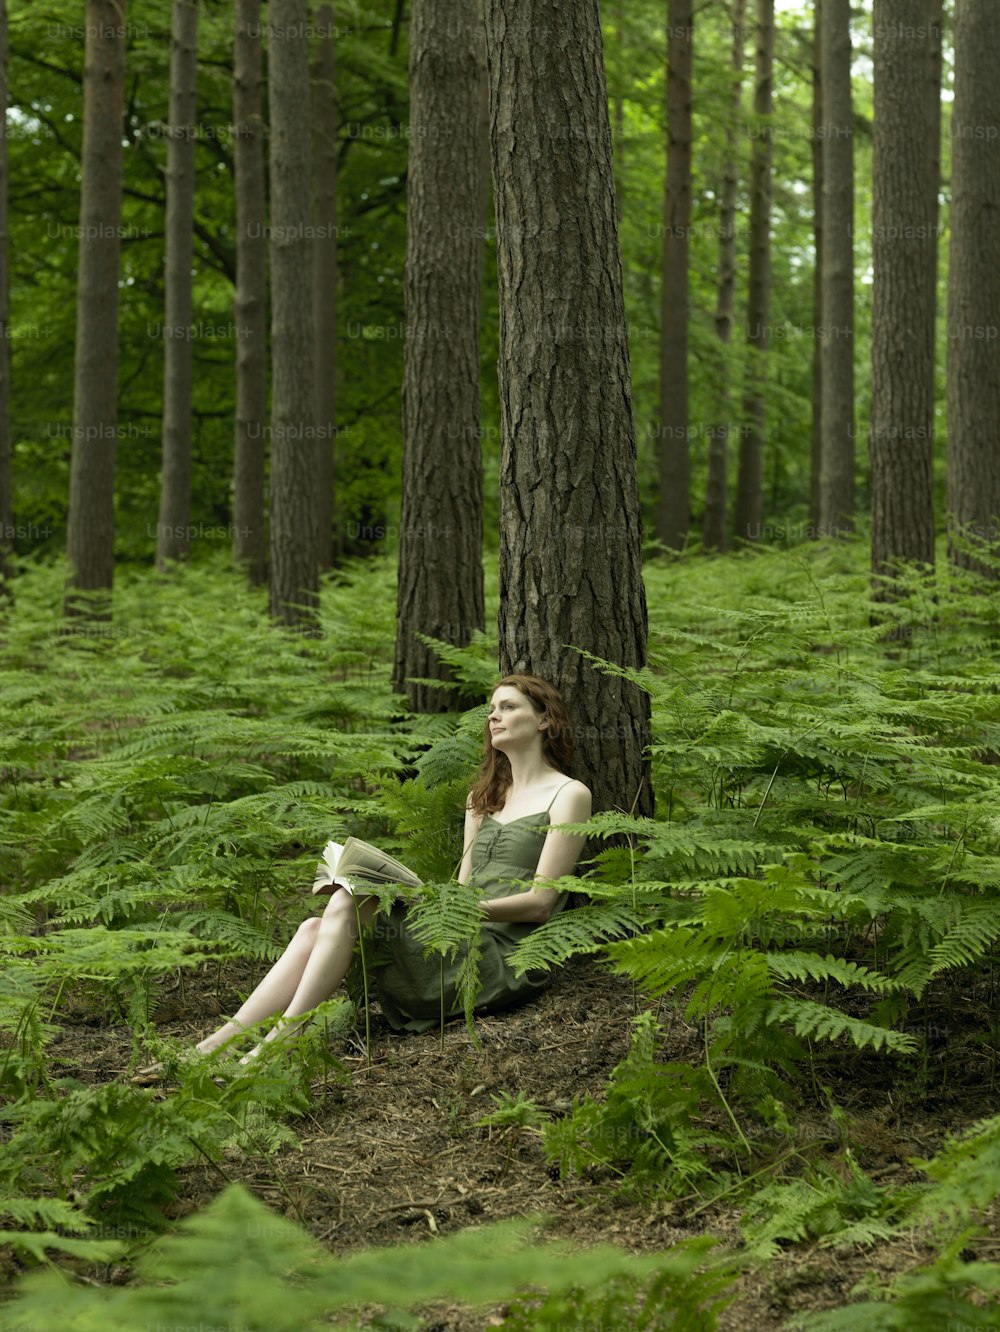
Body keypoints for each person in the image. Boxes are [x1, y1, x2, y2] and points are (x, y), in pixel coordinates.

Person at [132, 674, 591, 1080]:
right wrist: (431, 903)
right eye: (491, 709)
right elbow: (464, 887)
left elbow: (540, 904)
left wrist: (449, 912)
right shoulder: (483, 797)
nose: (494, 717)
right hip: (455, 938)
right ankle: (213, 1048)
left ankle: (277, 1046)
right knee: (318, 922)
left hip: (504, 957)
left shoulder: (569, 795)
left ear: (545, 720)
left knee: (349, 904)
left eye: (508, 707)